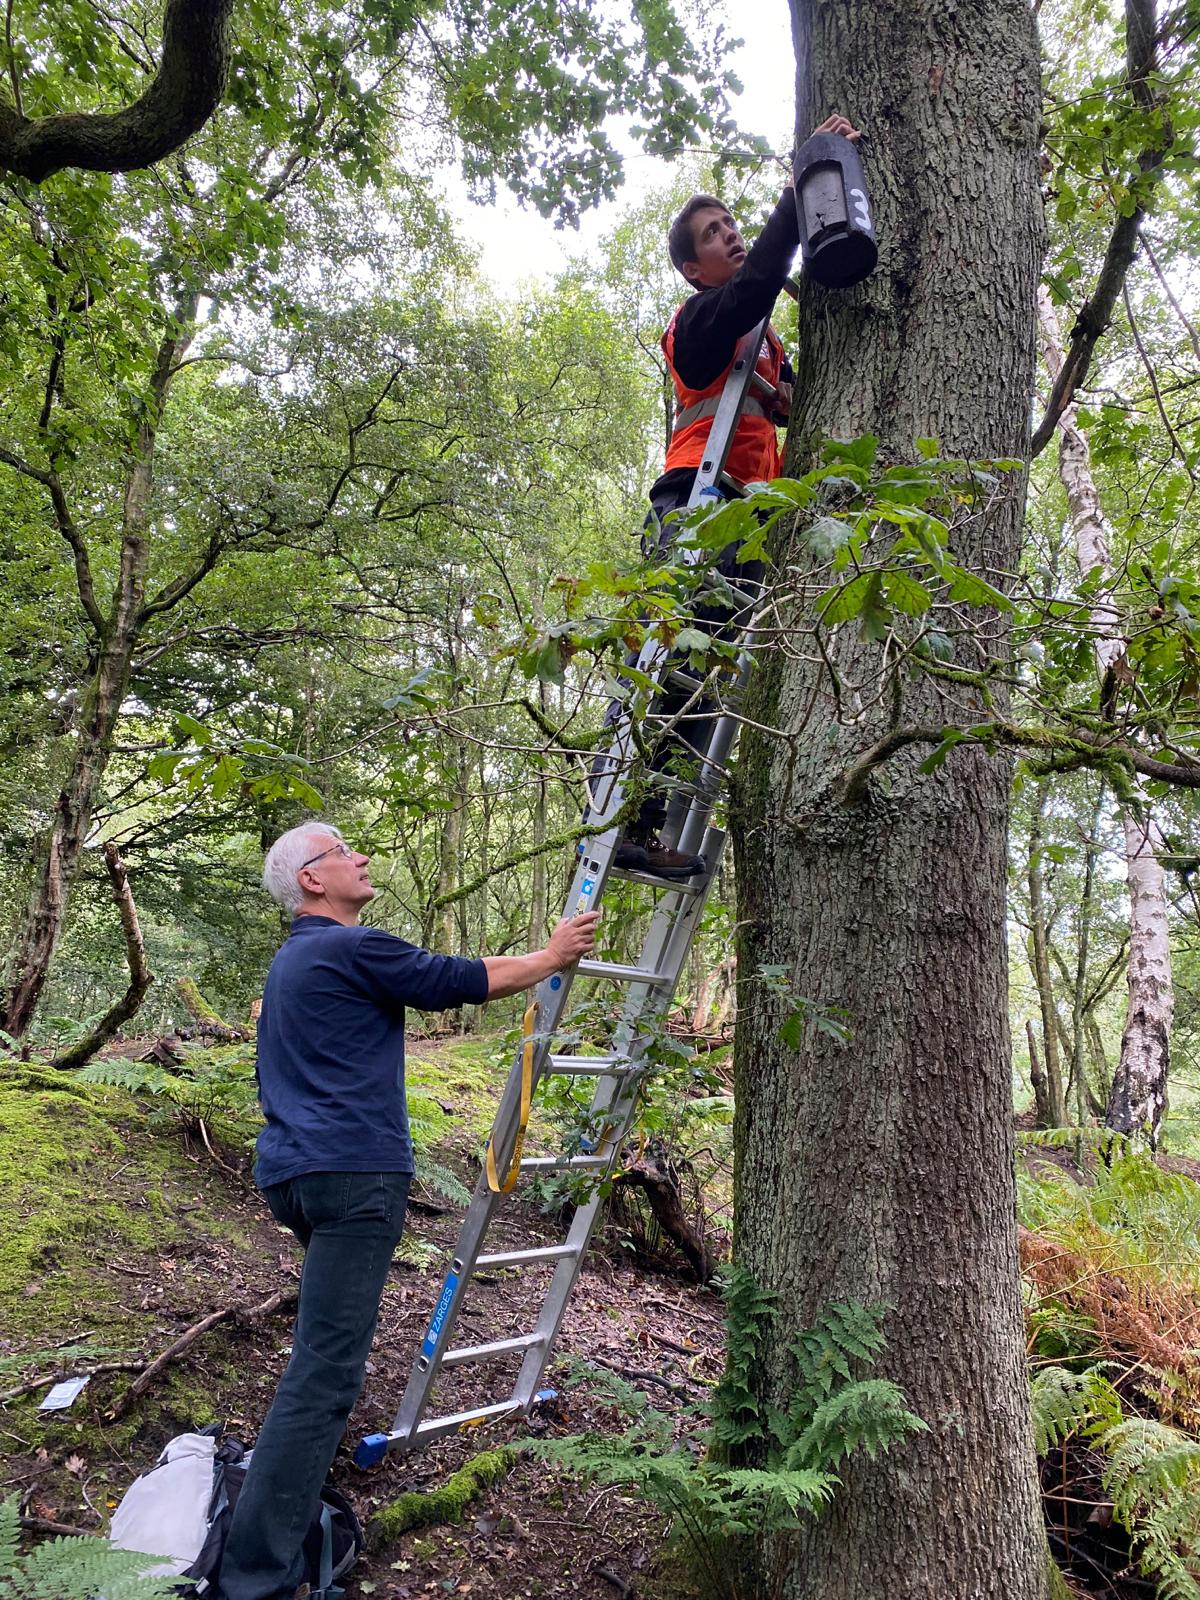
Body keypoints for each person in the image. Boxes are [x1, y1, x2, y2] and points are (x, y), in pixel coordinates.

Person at [217, 822, 599, 1600]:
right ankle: (254, 1575)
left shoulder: (289, 964)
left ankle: (277, 1514)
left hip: (293, 1176)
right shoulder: (351, 947)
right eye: (342, 852)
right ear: (312, 882)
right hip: (355, 1177)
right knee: (326, 1371)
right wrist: (553, 957)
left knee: (322, 1355)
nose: (361, 856)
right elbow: (461, 977)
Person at [604, 114, 862, 881]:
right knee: (673, 654)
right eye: (715, 233)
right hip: (698, 500)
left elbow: (779, 402)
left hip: (750, 515)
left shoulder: (761, 342)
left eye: (731, 224)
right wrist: (802, 188)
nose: (732, 236)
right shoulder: (699, 322)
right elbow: (752, 289)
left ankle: (649, 826)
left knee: (711, 665)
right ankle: (625, 818)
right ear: (692, 268)